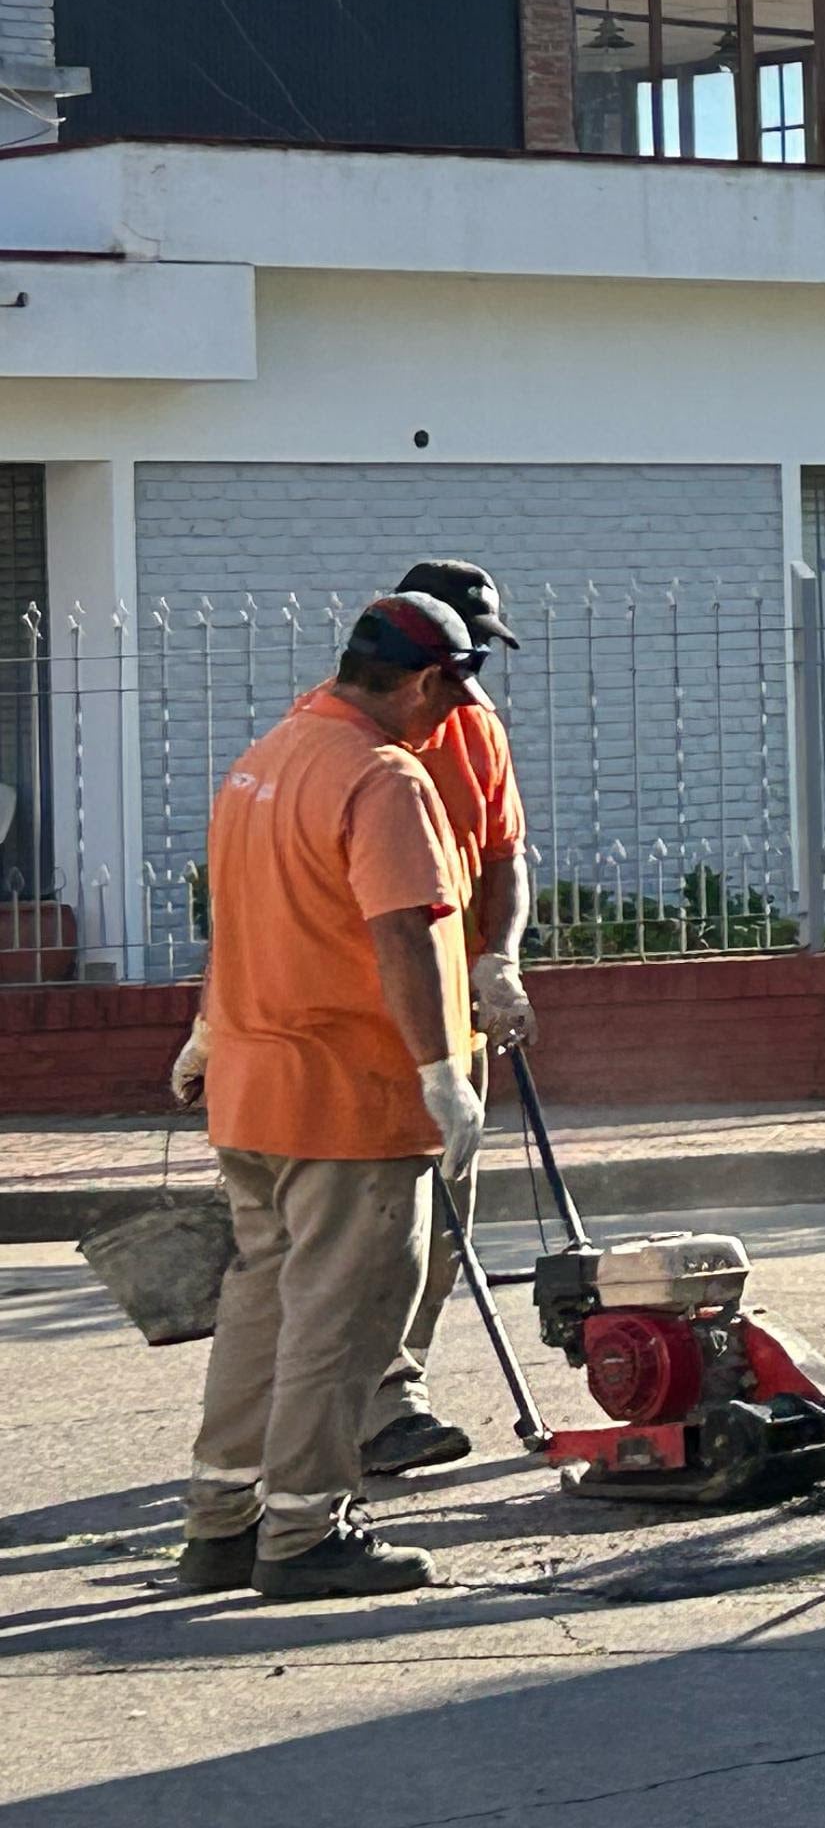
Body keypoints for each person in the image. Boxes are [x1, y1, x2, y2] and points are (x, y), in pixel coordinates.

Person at [177, 592, 488, 1600]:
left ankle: (221, 1521)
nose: (454, 718)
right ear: (431, 680)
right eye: (455, 691)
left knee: (261, 1305)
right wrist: (443, 1074)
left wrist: (210, 1031)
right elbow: (402, 932)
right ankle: (307, 1531)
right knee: (342, 1318)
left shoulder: (263, 761)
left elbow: (240, 919)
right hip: (348, 1099)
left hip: (256, 1087)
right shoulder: (381, 776)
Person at [361, 559, 534, 1476]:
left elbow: (505, 855)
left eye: (483, 660)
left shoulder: (477, 728)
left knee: (441, 1222)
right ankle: (374, 1406)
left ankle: (399, 1389)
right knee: (379, 1222)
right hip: (364, 1019)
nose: (473, 681)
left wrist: (497, 958)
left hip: (455, 1013)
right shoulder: (350, 740)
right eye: (461, 662)